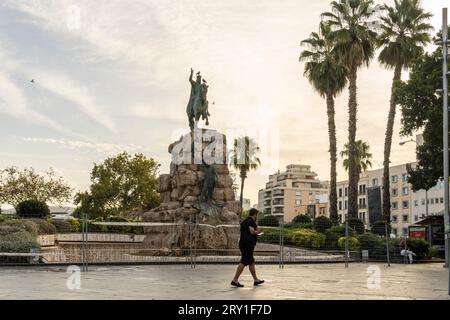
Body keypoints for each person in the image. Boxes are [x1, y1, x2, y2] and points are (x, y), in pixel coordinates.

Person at [231, 208, 264, 287]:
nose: (257, 217)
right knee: (243, 262)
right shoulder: (251, 221)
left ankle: (255, 279)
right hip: (247, 245)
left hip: (244, 243)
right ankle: (235, 280)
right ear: (255, 214)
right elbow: (252, 231)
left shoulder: (245, 221)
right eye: (257, 215)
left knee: (251, 262)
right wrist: (258, 232)